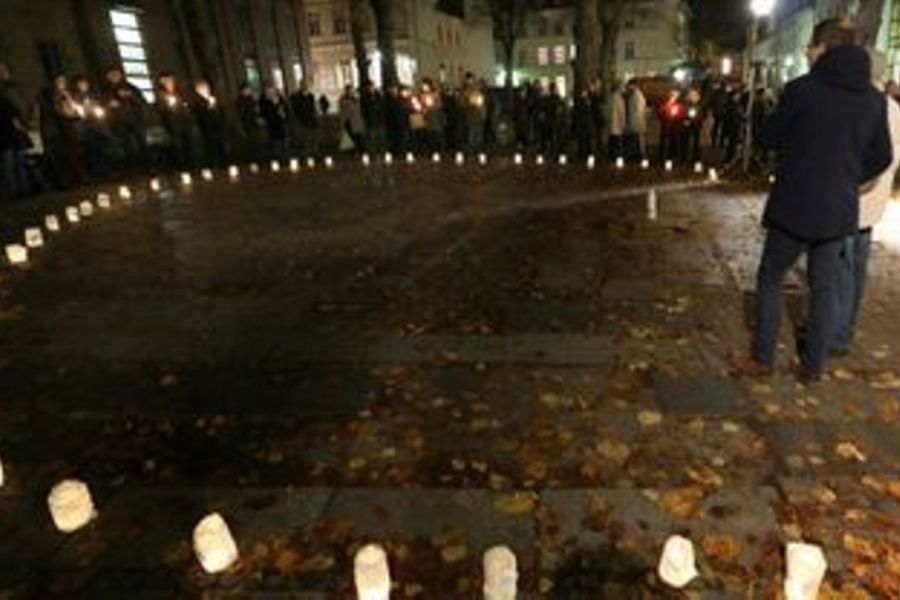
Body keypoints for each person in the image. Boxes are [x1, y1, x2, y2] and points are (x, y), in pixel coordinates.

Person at [731, 19, 893, 382]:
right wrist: (848, 177)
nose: (807, 52)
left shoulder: (802, 90)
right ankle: (813, 366)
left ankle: (762, 357)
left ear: (825, 48)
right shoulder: (873, 100)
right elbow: (882, 156)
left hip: (795, 204)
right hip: (838, 209)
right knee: (824, 286)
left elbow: (769, 137)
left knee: (771, 277)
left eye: (811, 46)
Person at [833, 49, 900, 355]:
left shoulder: (868, 105)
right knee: (857, 268)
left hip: (855, 198)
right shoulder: (893, 108)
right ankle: (844, 326)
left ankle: (837, 332)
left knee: (841, 268)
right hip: (875, 201)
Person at [39, 74, 84, 188]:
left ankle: (78, 178)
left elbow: (74, 107)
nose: (62, 83)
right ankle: (66, 182)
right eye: (59, 81)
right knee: (63, 156)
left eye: (64, 81)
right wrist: (70, 115)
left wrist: (77, 113)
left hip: (69, 127)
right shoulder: (50, 96)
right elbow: (56, 111)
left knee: (75, 154)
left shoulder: (67, 94)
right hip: (58, 130)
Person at [102, 66, 147, 169]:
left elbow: (142, 101)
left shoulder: (130, 87)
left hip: (135, 119)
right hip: (119, 121)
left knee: (142, 142)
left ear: (120, 75)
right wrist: (109, 105)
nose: (114, 77)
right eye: (111, 75)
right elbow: (102, 104)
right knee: (127, 144)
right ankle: (132, 166)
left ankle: (146, 165)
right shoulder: (106, 90)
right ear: (108, 77)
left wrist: (130, 95)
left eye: (116, 74)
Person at [0, 62, 31, 198]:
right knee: (9, 162)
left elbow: (19, 106)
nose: (4, 72)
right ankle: (14, 191)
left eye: (5, 69)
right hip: (4, 131)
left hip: (15, 130)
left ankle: (24, 188)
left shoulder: (11, 88)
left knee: (20, 160)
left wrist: (23, 120)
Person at [72, 75, 113, 177]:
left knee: (101, 147)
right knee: (91, 149)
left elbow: (99, 107)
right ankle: (95, 170)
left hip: (96, 125)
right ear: (77, 85)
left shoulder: (93, 95)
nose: (84, 85)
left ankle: (105, 168)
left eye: (85, 83)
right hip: (85, 127)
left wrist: (99, 111)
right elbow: (78, 112)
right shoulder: (76, 97)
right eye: (81, 84)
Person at [155, 73, 194, 169]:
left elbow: (186, 105)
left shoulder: (179, 92)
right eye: (167, 81)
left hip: (184, 122)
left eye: (171, 80)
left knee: (188, 143)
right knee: (177, 145)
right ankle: (180, 165)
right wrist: (169, 107)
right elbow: (160, 110)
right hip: (172, 124)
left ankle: (190, 163)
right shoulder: (161, 95)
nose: (169, 82)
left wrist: (185, 108)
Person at [190, 79, 227, 167]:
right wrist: (209, 107)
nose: (206, 89)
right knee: (211, 147)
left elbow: (221, 111)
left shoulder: (213, 98)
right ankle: (215, 164)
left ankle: (224, 162)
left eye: (206, 87)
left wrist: (221, 116)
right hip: (208, 129)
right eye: (203, 88)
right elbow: (199, 115)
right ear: (198, 90)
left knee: (220, 145)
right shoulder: (198, 102)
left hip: (218, 126)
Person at [259, 79, 289, 159]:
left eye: (271, 86)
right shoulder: (263, 99)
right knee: (276, 142)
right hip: (272, 124)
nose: (270, 88)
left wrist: (281, 107)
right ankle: (278, 156)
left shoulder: (278, 96)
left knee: (283, 140)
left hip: (281, 121)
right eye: (268, 87)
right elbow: (265, 111)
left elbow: (284, 105)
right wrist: (275, 106)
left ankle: (284, 154)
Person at [237, 83, 263, 161]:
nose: (249, 91)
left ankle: (259, 158)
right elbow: (243, 114)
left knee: (258, 143)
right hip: (248, 126)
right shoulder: (241, 101)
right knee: (252, 144)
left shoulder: (252, 99)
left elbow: (257, 110)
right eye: (247, 89)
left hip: (255, 125)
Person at [623, 80, 647, 161]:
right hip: (635, 122)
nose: (628, 88)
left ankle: (639, 156)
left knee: (637, 140)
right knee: (635, 140)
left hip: (636, 122)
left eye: (629, 86)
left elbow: (637, 111)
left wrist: (631, 122)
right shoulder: (634, 95)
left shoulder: (637, 96)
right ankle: (636, 155)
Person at [290, 83, 317, 155]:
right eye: (303, 85)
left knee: (313, 138)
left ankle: (314, 152)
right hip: (303, 120)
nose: (305, 87)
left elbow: (312, 107)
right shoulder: (297, 97)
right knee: (306, 139)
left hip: (311, 119)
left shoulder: (310, 96)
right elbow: (296, 109)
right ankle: (307, 153)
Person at [339, 85, 366, 152]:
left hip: (356, 121)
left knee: (358, 137)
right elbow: (344, 109)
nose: (351, 92)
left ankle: (360, 150)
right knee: (351, 137)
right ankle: (354, 150)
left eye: (352, 90)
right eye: (349, 90)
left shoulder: (355, 98)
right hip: (349, 121)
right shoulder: (344, 99)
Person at [606, 82, 626, 159]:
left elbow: (606, 111)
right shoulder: (619, 99)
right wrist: (623, 123)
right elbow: (622, 113)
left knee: (611, 141)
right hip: (617, 125)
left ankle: (611, 155)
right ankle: (617, 156)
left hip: (610, 124)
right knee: (617, 142)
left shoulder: (610, 98)